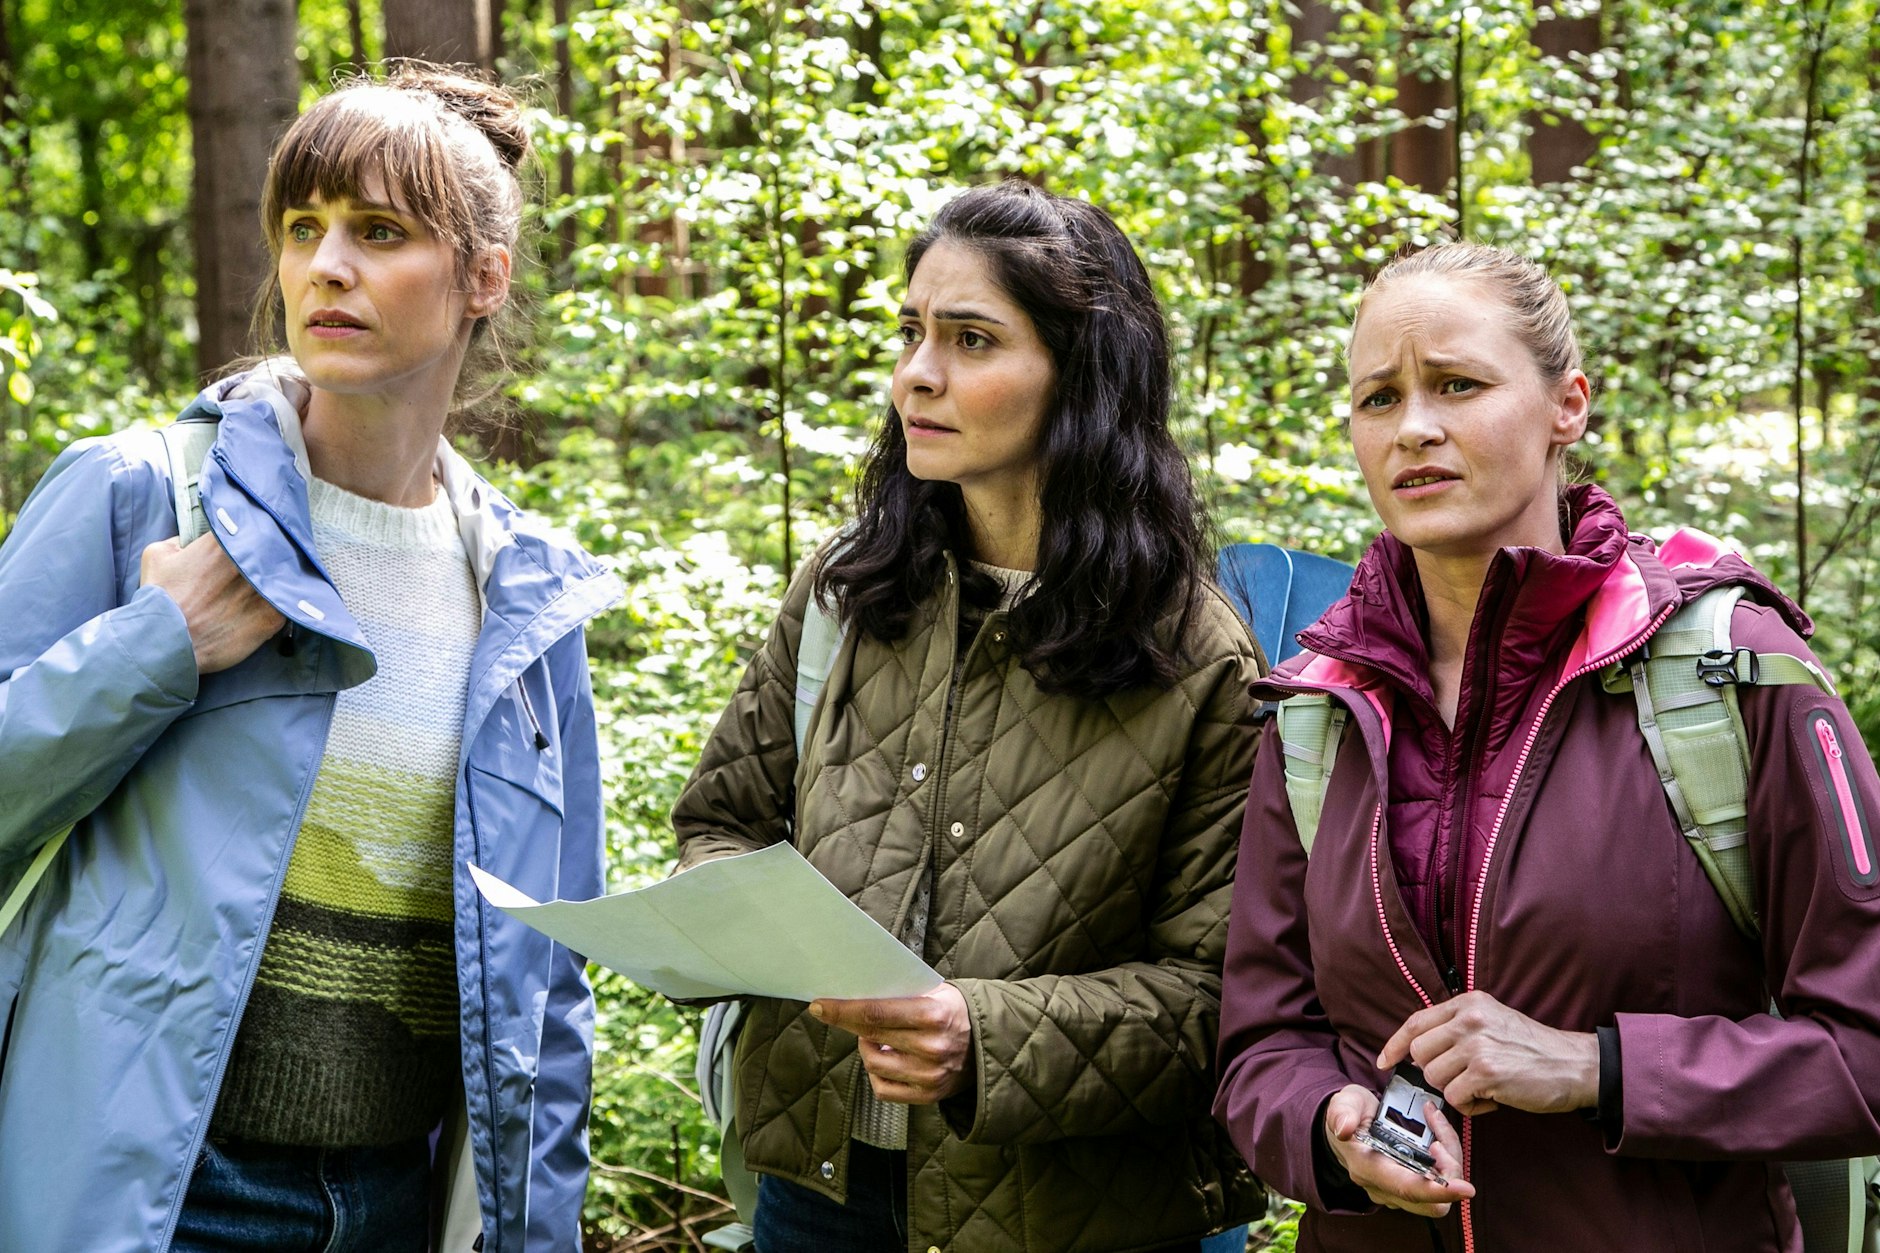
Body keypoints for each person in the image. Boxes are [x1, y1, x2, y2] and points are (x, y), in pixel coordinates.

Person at [0, 64, 620, 1253]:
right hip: (159, 1199)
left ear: (483, 277)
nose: (326, 265)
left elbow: (550, 991)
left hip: (398, 1203)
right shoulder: (145, 498)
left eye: (379, 232)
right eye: (303, 228)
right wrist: (158, 646)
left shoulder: (527, 602)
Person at [1212, 241, 1880, 1250]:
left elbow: (1861, 1049)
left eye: (1456, 384)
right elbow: (1260, 1042)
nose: (1415, 428)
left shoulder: (1725, 670)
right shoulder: (1320, 703)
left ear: (1566, 403)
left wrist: (1591, 1067)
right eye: (1377, 398)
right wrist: (1325, 1121)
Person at [671, 180, 1267, 1253]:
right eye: (909, 332)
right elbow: (724, 814)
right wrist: (719, 908)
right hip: (820, 1189)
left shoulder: (1195, 656)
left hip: (1076, 1214)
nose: (917, 375)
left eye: (971, 339)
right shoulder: (848, 590)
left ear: (1080, 375)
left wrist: (981, 1037)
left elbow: (1216, 995)